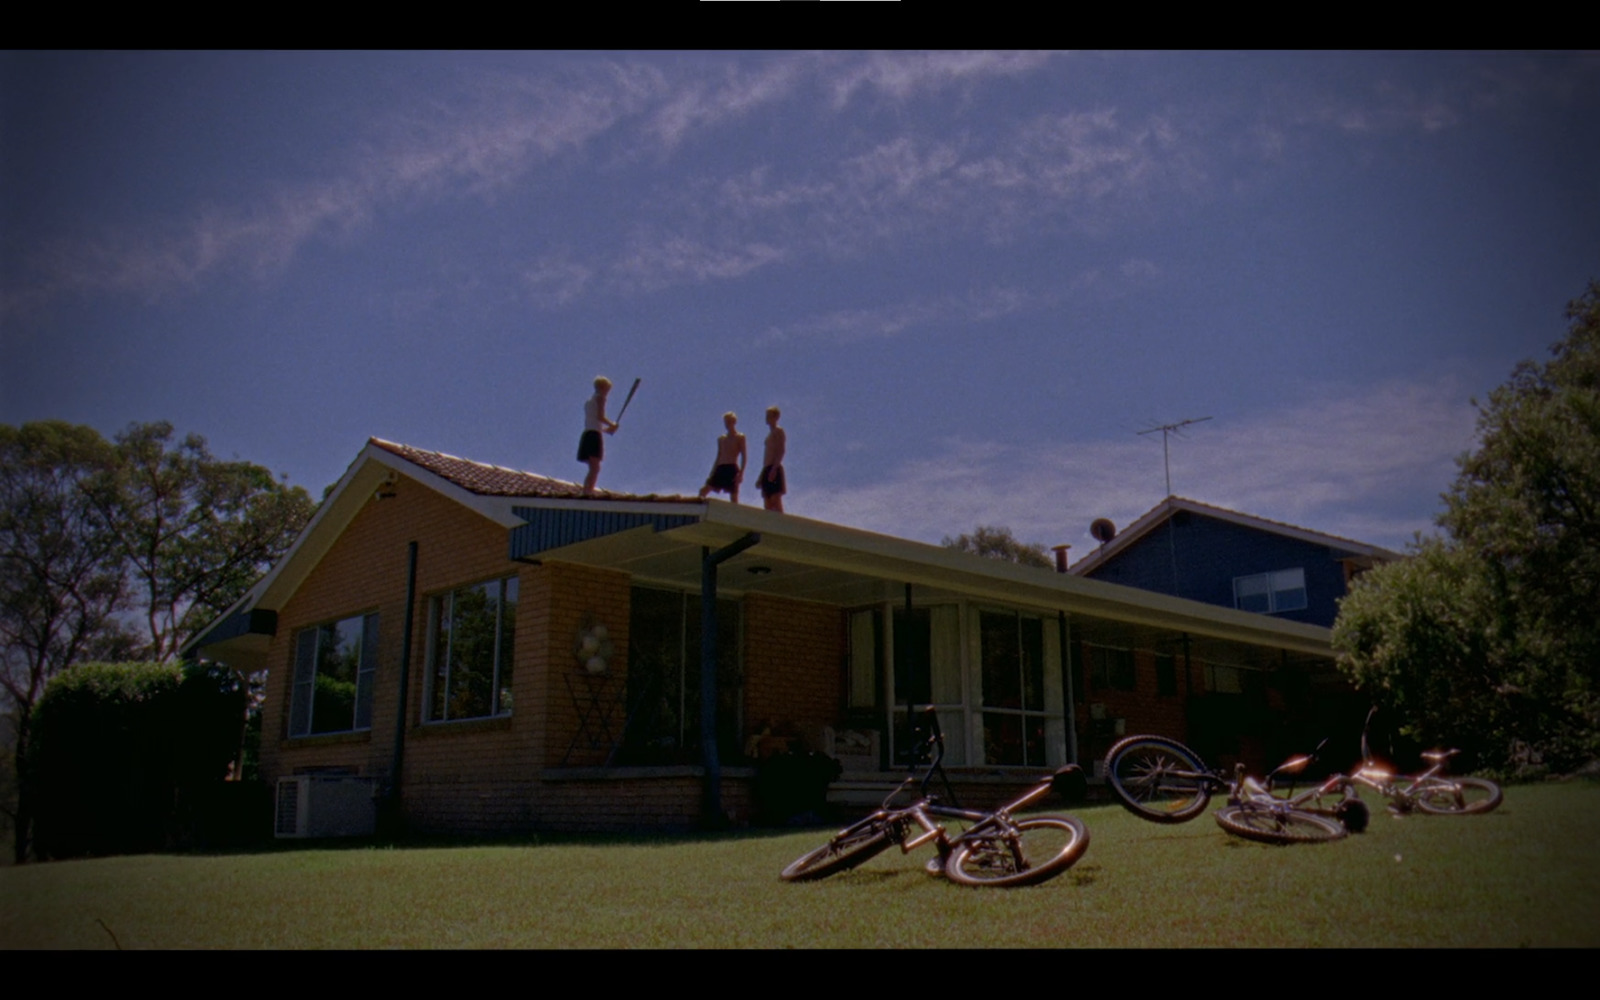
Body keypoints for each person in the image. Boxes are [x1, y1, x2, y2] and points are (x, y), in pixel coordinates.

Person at [577, 376, 618, 496]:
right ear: (603, 388)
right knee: (595, 468)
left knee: (593, 468)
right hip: (594, 436)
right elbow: (600, 416)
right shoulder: (600, 398)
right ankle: (587, 492)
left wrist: (607, 430)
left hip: (588, 434)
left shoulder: (589, 402)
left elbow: (594, 422)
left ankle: (587, 491)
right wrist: (612, 424)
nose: (607, 393)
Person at [697, 411, 748, 504]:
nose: (727, 424)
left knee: (734, 497)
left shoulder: (740, 437)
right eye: (725, 422)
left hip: (732, 468)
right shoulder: (721, 439)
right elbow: (718, 456)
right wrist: (712, 473)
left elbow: (744, 455)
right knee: (703, 491)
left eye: (729, 421)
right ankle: (698, 509)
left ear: (734, 422)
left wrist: (741, 473)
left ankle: (735, 516)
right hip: (720, 468)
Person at [757, 406, 787, 512]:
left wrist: (774, 468)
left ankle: (782, 524)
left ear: (775, 417)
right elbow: (767, 457)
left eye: (769, 416)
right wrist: (761, 475)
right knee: (767, 501)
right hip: (766, 468)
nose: (767, 418)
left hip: (775, 467)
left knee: (775, 499)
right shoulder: (769, 436)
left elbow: (781, 450)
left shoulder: (778, 431)